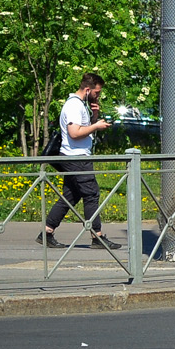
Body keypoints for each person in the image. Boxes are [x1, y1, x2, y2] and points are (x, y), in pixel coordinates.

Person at [40, 72, 122, 250]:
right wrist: (96, 126)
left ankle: (47, 232)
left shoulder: (80, 105)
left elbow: (83, 129)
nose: (97, 96)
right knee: (91, 194)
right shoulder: (73, 106)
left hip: (76, 156)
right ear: (87, 90)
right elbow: (74, 133)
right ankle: (97, 236)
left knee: (70, 196)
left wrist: (94, 116)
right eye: (97, 92)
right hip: (75, 157)